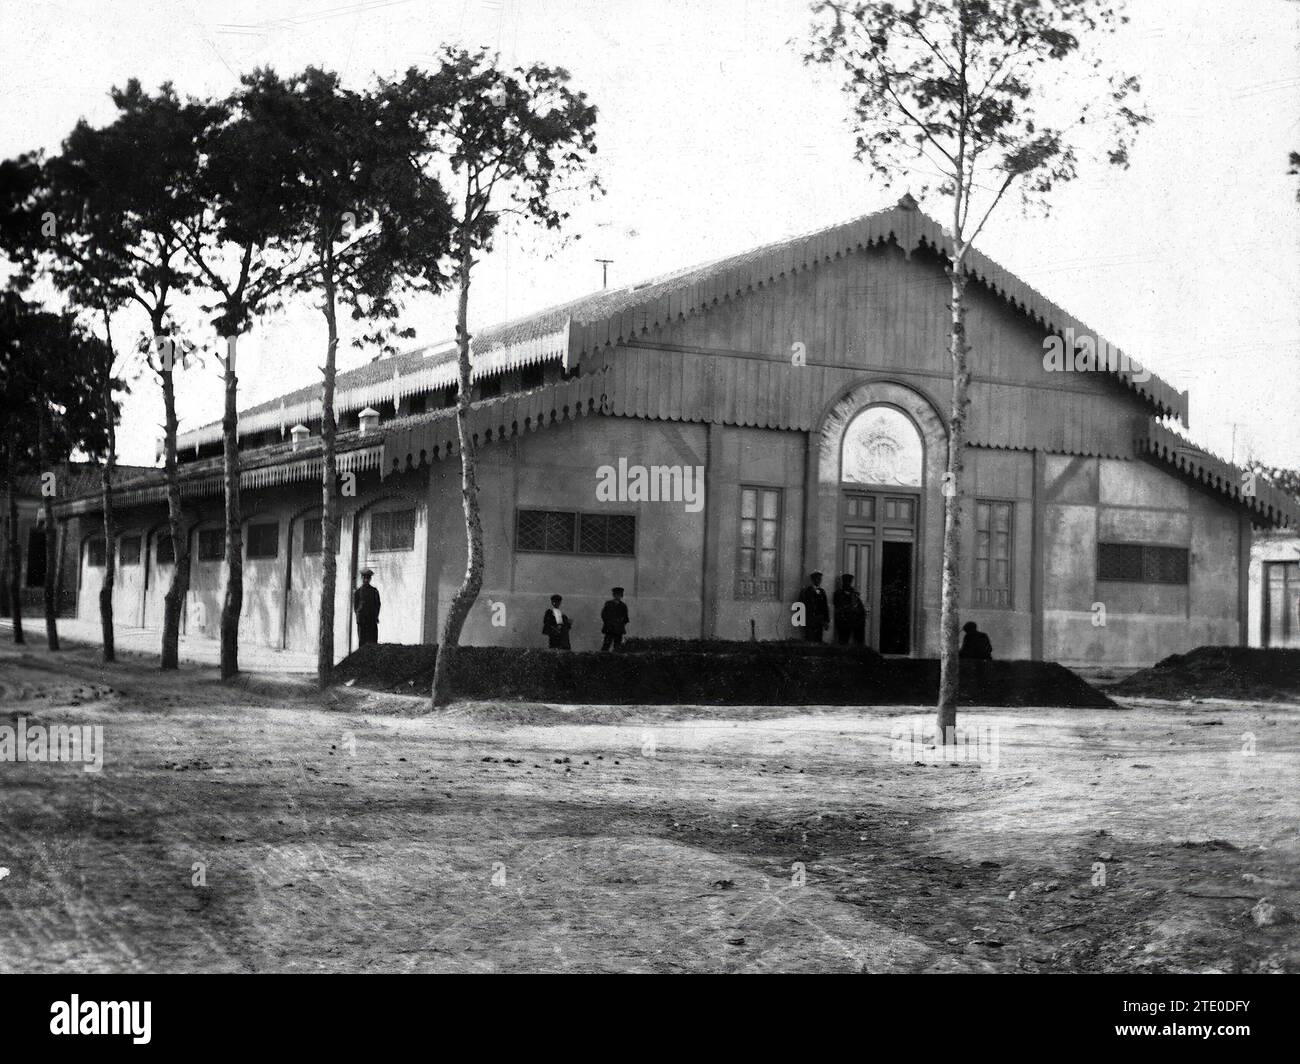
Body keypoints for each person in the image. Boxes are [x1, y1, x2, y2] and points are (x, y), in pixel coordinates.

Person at [833, 572, 867, 645]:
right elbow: (839, 607)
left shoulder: (854, 594)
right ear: (843, 582)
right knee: (843, 640)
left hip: (855, 620)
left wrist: (860, 617)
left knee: (858, 640)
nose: (848, 583)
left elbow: (860, 607)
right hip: (844, 620)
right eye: (846, 581)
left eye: (849, 582)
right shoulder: (839, 593)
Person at [797, 571, 830, 642]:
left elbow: (825, 607)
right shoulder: (806, 591)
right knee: (809, 638)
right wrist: (801, 619)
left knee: (819, 638)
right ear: (813, 580)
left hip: (819, 620)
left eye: (820, 579)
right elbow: (801, 605)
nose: (819, 581)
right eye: (817, 579)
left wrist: (826, 621)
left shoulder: (822, 591)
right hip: (809, 619)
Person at [354, 568, 381, 647]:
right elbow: (356, 607)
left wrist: (376, 616)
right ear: (362, 578)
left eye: (368, 578)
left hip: (372, 621)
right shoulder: (358, 592)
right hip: (362, 622)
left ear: (370, 579)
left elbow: (378, 605)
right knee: (362, 643)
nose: (366, 580)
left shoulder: (374, 591)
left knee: (372, 643)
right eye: (364, 577)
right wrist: (359, 616)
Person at [600, 586, 630, 652]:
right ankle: (603, 658)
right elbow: (604, 615)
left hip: (618, 629)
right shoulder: (608, 604)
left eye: (619, 595)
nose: (617, 597)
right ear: (613, 595)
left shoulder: (623, 606)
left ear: (621, 596)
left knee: (617, 646)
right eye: (616, 595)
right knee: (606, 645)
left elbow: (625, 618)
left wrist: (620, 623)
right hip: (609, 628)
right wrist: (609, 623)